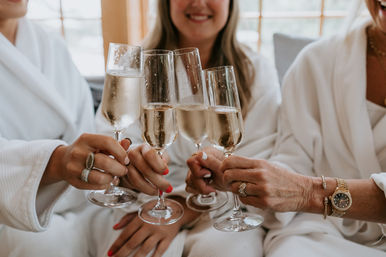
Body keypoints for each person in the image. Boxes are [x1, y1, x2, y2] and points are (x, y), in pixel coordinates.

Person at [188, 0, 386, 256]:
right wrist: (240, 176)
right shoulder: (316, 62)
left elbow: (301, 189)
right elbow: (294, 160)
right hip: (320, 229)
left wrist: (309, 193)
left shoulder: (255, 69)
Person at [92, 0, 281, 256]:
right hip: (145, 200)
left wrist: (186, 204)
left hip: (225, 207)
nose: (199, 3)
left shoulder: (256, 70)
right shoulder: (131, 64)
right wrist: (134, 163)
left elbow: (260, 160)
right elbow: (110, 137)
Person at [0, 0, 132, 256]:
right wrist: (54, 162)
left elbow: (87, 130)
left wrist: (122, 161)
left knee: (142, 237)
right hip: (15, 213)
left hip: (83, 200)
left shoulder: (50, 45)